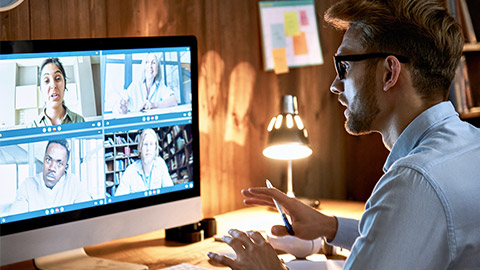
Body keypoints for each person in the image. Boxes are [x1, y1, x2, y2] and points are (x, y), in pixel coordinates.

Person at [208, 0, 480, 269]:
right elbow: (409, 234)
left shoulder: (414, 180)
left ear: (389, 73)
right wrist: (329, 226)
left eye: (344, 67)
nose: (335, 86)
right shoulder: (470, 144)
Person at [9, 139, 91, 214]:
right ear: (43, 159)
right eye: (48, 160)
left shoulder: (73, 184)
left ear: (66, 167)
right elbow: (15, 220)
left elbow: (87, 216)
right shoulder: (28, 185)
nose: (52, 168)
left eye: (59, 163)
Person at [115, 128, 174, 196]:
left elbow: (170, 190)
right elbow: (119, 197)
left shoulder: (160, 164)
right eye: (145, 144)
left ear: (155, 148)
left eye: (151, 144)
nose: (148, 148)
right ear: (140, 148)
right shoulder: (130, 171)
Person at [32, 58, 85, 126]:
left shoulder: (79, 121)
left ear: (64, 84)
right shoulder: (32, 127)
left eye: (57, 79)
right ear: (41, 89)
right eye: (46, 81)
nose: (53, 85)